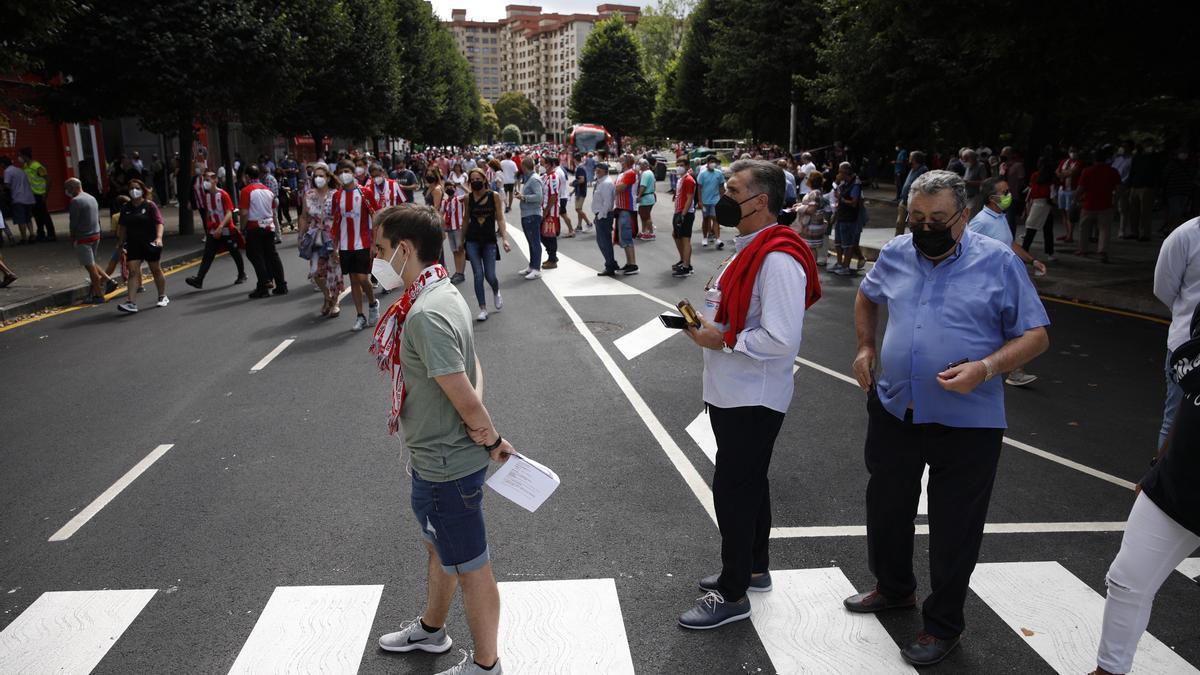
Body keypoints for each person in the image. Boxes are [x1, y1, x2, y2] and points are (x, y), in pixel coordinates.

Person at [846, 170, 1050, 666]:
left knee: (955, 525)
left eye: (938, 218)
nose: (925, 226)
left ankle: (942, 626)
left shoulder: (998, 261)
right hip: (895, 405)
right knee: (887, 505)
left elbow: (1036, 335)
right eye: (916, 217)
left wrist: (986, 368)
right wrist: (867, 346)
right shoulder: (896, 252)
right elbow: (867, 296)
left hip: (968, 420)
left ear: (962, 215)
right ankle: (894, 588)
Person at [369, 204, 517, 675]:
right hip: (442, 461)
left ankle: (486, 666)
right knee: (441, 548)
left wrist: (491, 438)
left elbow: (464, 394)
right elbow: (474, 371)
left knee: (473, 567)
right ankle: (433, 631)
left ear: (404, 250)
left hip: (446, 469)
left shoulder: (425, 313)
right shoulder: (439, 293)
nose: (374, 259)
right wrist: (481, 430)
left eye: (380, 250)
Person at [677, 160, 822, 630]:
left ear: (759, 202)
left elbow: (781, 338)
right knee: (750, 483)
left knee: (734, 490)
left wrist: (723, 339)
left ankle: (733, 591)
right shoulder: (750, 248)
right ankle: (753, 569)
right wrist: (708, 326)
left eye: (732, 188)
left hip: (753, 396)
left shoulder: (777, 259)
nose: (721, 193)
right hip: (733, 390)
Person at [1090, 305, 1200, 675]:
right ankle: (1108, 671)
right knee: (1127, 581)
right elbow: (1190, 401)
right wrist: (1158, 465)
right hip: (1178, 478)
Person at [968, 177, 1047, 387]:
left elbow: (1010, 244)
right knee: (1012, 327)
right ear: (992, 198)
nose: (1008, 195)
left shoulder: (1000, 217)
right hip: (989, 286)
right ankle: (1005, 370)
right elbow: (965, 249)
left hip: (1006, 282)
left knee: (1014, 326)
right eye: (1004, 193)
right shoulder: (981, 222)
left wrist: (1033, 260)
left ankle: (1012, 369)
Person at [1152, 214, 1200, 449]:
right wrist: (1187, 316)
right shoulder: (1185, 236)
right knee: (1174, 423)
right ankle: (1161, 484)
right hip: (1187, 349)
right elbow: (1163, 288)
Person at [330, 160, 380, 330]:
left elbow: (376, 217)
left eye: (347, 171)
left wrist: (374, 243)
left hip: (363, 242)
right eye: (341, 172)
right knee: (353, 280)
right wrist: (335, 246)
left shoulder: (365, 192)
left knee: (363, 278)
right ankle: (360, 316)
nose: (344, 175)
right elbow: (336, 221)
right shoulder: (337, 196)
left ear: (353, 173)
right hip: (345, 245)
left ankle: (373, 303)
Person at [463, 168, 512, 322]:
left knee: (490, 275)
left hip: (489, 241)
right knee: (478, 275)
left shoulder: (494, 196)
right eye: (472, 179)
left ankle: (496, 291)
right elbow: (465, 220)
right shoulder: (467, 198)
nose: (475, 181)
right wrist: (461, 240)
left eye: (478, 178)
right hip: (472, 241)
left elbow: (500, 218)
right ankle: (483, 308)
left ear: (484, 180)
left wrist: (505, 238)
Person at [186, 170, 247, 290]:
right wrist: (209, 225)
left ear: (215, 180)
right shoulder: (207, 196)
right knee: (208, 254)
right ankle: (199, 279)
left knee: (234, 252)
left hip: (226, 230)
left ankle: (242, 274)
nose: (206, 182)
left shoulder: (223, 194)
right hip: (213, 230)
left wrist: (221, 226)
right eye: (205, 180)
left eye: (208, 180)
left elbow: (229, 212)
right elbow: (209, 211)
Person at [297, 162, 344, 317]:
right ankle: (327, 296)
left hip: (333, 236)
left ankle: (334, 302)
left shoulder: (336, 194)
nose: (318, 178)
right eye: (315, 176)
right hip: (316, 237)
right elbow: (304, 216)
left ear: (328, 177)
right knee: (316, 272)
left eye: (321, 176)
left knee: (334, 271)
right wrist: (301, 235)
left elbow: (341, 217)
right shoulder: (309, 195)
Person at [116, 179, 169, 313]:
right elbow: (122, 227)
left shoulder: (150, 206)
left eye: (137, 188)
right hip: (133, 244)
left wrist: (158, 238)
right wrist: (120, 243)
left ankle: (162, 296)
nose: (134, 190)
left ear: (142, 190)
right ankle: (131, 302)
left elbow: (159, 223)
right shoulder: (125, 208)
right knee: (133, 272)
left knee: (155, 269)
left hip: (150, 242)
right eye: (132, 188)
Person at [241, 165, 288, 299]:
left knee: (255, 255)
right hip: (269, 226)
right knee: (272, 255)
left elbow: (244, 213)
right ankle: (281, 284)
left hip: (254, 226)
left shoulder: (246, 191)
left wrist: (242, 228)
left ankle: (264, 283)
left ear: (248, 177)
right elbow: (273, 209)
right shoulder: (268, 190)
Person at [65, 178, 113, 303]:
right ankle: (108, 280)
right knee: (91, 262)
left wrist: (72, 237)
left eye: (68, 188)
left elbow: (73, 222)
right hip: (95, 235)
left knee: (90, 268)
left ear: (74, 188)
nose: (67, 191)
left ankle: (98, 295)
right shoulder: (91, 198)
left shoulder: (75, 201)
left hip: (83, 238)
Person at [1074, 150, 1122, 263]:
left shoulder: (1087, 171)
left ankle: (1083, 249)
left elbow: (1080, 188)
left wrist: (1075, 200)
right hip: (1106, 204)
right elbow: (1119, 189)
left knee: (1084, 228)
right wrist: (1115, 202)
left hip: (1088, 204)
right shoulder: (1112, 171)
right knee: (1104, 229)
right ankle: (1102, 251)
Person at [1020, 156, 1057, 261]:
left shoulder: (1035, 175)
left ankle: (1024, 252)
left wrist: (1027, 207)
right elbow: (1052, 194)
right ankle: (1050, 253)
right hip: (1046, 206)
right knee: (1048, 231)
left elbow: (1030, 192)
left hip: (1036, 204)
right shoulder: (1051, 177)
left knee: (1030, 230)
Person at [832, 162, 865, 276]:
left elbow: (854, 203)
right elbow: (836, 193)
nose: (838, 174)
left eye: (840, 171)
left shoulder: (855, 183)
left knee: (848, 244)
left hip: (849, 217)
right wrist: (836, 183)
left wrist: (841, 199)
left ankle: (846, 266)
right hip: (841, 215)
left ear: (845, 172)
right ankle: (839, 263)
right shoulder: (844, 183)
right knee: (838, 242)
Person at [514, 157, 544, 280]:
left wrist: (524, 197)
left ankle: (536, 268)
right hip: (528, 213)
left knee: (535, 242)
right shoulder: (531, 178)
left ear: (525, 167)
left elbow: (539, 197)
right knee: (531, 242)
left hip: (532, 214)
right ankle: (532, 266)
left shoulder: (534, 179)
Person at [611, 155, 640, 274]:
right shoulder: (622, 174)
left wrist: (608, 188)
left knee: (626, 236)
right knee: (623, 236)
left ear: (627, 162)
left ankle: (633, 264)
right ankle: (629, 263)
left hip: (627, 209)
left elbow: (620, 188)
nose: (619, 162)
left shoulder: (630, 173)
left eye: (621, 160)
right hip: (621, 208)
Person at [591, 162, 620, 277]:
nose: (596, 172)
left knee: (605, 242)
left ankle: (610, 266)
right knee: (602, 241)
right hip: (601, 215)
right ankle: (611, 263)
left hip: (604, 215)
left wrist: (600, 215)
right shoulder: (601, 182)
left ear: (605, 171)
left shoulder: (606, 183)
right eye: (596, 170)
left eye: (599, 171)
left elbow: (608, 203)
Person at [1127, 145, 1160, 242]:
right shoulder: (1136, 158)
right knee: (1133, 211)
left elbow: (1157, 173)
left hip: (1147, 187)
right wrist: (1129, 186)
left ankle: (1145, 234)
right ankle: (1134, 232)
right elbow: (1132, 172)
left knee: (1145, 212)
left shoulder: (1154, 159)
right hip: (1135, 186)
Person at [20, 148, 55, 241]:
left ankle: (51, 234)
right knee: (36, 215)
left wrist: (45, 195)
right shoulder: (25, 166)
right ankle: (41, 233)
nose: (19, 158)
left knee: (44, 214)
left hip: (40, 194)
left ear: (24, 156)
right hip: (31, 195)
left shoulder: (37, 166)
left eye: (20, 155)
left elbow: (48, 179)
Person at [671, 157, 697, 277]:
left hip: (685, 213)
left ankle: (686, 267)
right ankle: (684, 261)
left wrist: (683, 215)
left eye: (681, 165)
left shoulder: (688, 180)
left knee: (685, 239)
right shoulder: (681, 179)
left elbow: (690, 198)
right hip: (678, 211)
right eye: (678, 165)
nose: (679, 167)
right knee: (676, 236)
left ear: (687, 166)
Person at [796, 173, 828, 267]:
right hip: (810, 223)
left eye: (807, 178)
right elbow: (810, 205)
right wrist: (799, 205)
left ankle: (811, 267)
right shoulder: (815, 192)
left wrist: (799, 208)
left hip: (812, 224)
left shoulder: (815, 193)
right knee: (808, 246)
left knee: (811, 247)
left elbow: (811, 210)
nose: (806, 179)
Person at [2, 155, 35, 244]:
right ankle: (32, 235)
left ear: (3, 164)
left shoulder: (7, 171)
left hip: (18, 198)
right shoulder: (20, 170)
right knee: (28, 218)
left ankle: (24, 238)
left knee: (21, 220)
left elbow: (7, 185)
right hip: (28, 197)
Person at [896, 151, 929, 236]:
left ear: (915, 159)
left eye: (910, 157)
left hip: (914, 204)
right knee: (899, 224)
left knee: (914, 225)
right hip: (904, 201)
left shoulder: (923, 170)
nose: (908, 159)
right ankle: (897, 242)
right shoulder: (912, 168)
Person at [1056, 147, 1083, 243]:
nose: (1073, 153)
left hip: (1072, 190)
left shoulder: (1079, 163)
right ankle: (1067, 233)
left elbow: (1073, 172)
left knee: (1069, 213)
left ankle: (1070, 235)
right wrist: (1065, 173)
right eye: (1071, 151)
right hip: (1062, 189)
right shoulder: (1064, 161)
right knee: (1063, 212)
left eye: (1075, 151)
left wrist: (1063, 174)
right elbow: (1057, 172)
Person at [539, 156, 562, 269]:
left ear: (552, 165)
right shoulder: (545, 177)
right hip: (544, 209)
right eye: (543, 163)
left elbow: (553, 196)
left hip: (550, 212)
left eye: (546, 163)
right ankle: (551, 256)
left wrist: (546, 211)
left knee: (549, 235)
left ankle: (552, 259)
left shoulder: (553, 177)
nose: (543, 166)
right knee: (543, 235)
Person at [552, 156, 574, 235]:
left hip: (561, 196)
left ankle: (571, 230)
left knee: (563, 214)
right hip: (563, 195)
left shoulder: (557, 172)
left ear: (553, 164)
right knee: (560, 213)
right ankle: (559, 230)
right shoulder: (559, 169)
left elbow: (557, 185)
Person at [636, 158, 657, 240]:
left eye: (640, 164)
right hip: (649, 197)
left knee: (646, 216)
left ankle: (651, 233)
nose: (638, 166)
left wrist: (639, 196)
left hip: (646, 197)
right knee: (643, 216)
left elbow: (643, 186)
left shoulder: (645, 174)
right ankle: (644, 231)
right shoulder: (650, 173)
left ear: (645, 164)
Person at [572, 155, 592, 233]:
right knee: (579, 209)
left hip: (581, 191)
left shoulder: (580, 168)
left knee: (577, 209)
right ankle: (579, 225)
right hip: (579, 190)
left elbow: (582, 180)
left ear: (575, 160)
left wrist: (573, 183)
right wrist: (573, 191)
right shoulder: (581, 167)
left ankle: (588, 223)